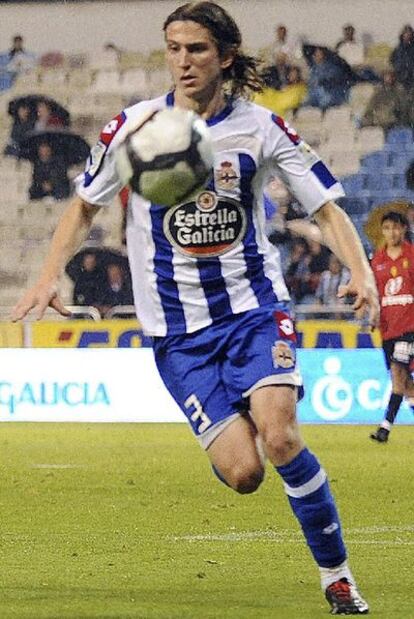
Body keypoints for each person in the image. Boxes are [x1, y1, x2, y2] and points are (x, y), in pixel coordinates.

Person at [12, 2, 379, 614]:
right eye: (174, 48)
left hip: (253, 308)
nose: (183, 61)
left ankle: (337, 576)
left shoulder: (261, 129)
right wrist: (48, 276)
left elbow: (327, 209)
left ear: (225, 56)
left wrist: (361, 272)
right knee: (245, 473)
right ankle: (238, 415)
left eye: (197, 49)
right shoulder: (134, 128)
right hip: (176, 333)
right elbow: (83, 206)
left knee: (282, 436)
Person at [370, 211, 414, 443]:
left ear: (404, 229)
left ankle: (384, 429)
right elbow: (373, 293)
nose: (392, 232)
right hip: (388, 329)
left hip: (410, 328)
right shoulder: (377, 261)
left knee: (398, 374)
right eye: (387, 228)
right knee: (407, 385)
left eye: (396, 227)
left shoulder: (412, 256)